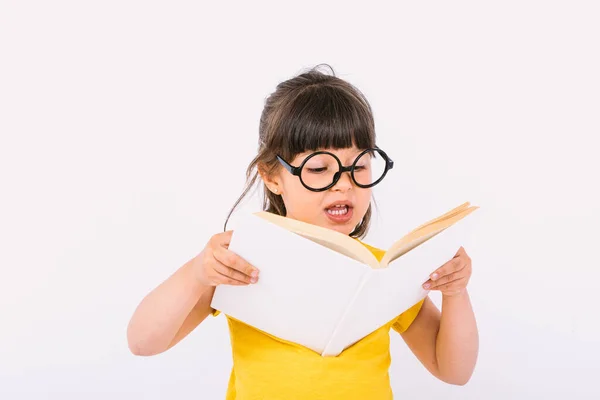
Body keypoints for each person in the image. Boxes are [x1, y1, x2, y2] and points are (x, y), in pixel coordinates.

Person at [126, 64, 479, 399]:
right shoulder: (242, 262)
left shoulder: (380, 272)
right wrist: (197, 272)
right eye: (320, 167)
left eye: (360, 164)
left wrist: (456, 293)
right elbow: (143, 342)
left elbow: (453, 370)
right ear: (271, 175)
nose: (343, 184)